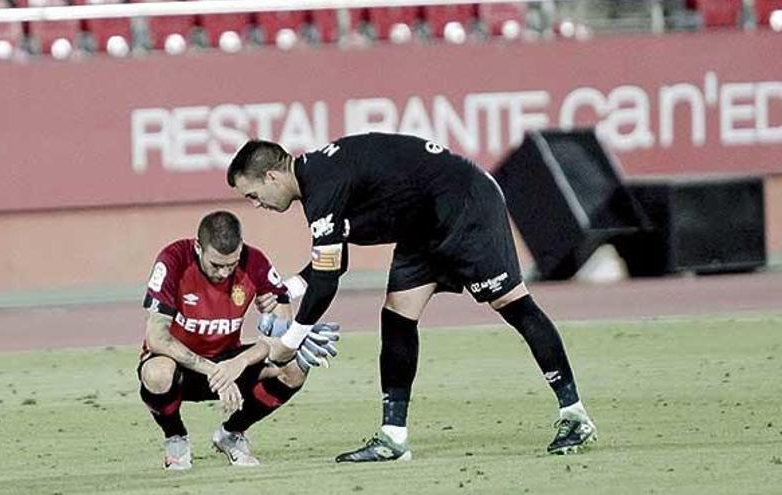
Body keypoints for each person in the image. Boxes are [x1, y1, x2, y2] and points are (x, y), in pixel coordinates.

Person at [226, 133, 597, 462]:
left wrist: (291, 341)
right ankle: (393, 437)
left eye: (253, 195)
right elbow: (334, 264)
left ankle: (575, 415)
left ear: (271, 177)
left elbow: (326, 282)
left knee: (511, 303)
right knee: (397, 313)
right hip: (422, 226)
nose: (257, 204)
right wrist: (283, 290)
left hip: (465, 203)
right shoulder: (317, 182)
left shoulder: (323, 184)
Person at [138, 210, 338, 470]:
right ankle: (175, 437)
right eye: (216, 265)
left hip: (229, 360)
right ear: (198, 247)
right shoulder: (173, 260)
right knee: (157, 372)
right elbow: (156, 338)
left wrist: (259, 339)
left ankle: (232, 434)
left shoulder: (254, 262)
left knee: (294, 368)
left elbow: (283, 339)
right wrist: (215, 371)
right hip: (182, 365)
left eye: (230, 265)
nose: (223, 273)